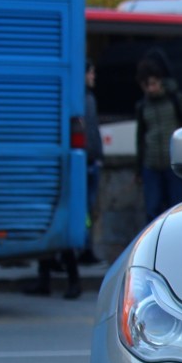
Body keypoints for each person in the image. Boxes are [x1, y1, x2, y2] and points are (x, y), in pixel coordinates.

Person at [134, 50, 182, 223]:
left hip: (173, 165)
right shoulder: (143, 106)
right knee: (152, 209)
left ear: (160, 81)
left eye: (153, 83)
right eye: (146, 85)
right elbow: (140, 138)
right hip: (151, 165)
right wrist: (139, 169)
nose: (150, 88)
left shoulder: (175, 100)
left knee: (176, 209)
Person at [78, 58, 104, 264]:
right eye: (90, 72)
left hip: (93, 161)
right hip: (86, 162)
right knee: (84, 209)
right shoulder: (80, 99)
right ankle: (84, 248)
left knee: (89, 209)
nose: (93, 76)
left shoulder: (89, 98)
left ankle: (86, 247)